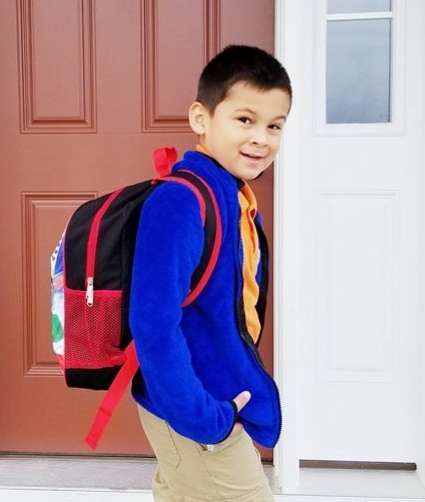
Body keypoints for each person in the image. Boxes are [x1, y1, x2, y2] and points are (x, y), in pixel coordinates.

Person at [129, 45, 292, 502]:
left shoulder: (233, 195)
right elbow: (153, 322)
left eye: (275, 125)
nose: (262, 138)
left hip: (207, 399)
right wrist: (205, 420)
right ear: (201, 119)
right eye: (245, 120)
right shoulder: (182, 200)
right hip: (196, 411)